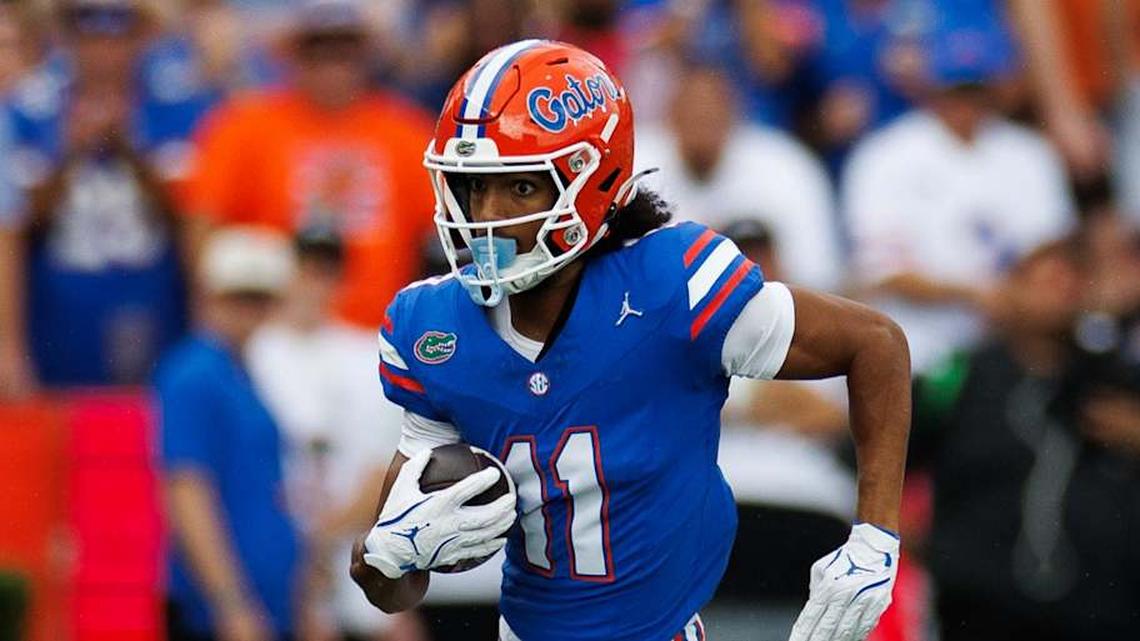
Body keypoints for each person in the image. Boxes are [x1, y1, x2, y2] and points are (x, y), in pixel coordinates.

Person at [349, 40, 911, 641]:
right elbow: (394, 589)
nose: (487, 216)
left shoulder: (674, 284)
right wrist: (384, 554)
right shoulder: (432, 328)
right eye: (473, 187)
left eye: (518, 189)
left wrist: (875, 536)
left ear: (593, 182)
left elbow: (876, 342)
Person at [909, 239, 1140, 641]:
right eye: (1046, 280)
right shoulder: (960, 375)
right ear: (1012, 289)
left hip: (1101, 612)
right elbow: (880, 452)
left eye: (1073, 281)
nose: (1061, 293)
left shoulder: (1117, 381)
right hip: (979, 606)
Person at [0, 0, 215, 394]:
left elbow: (189, 215)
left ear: (141, 37)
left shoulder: (176, 104)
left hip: (151, 291)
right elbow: (17, 223)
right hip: (60, 297)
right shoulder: (30, 107)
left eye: (117, 34)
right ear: (65, 36)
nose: (101, 50)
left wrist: (131, 149)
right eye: (87, 33)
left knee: (148, 420)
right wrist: (70, 154)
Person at [186, 0, 437, 330]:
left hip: (379, 333)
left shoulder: (408, 131)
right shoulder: (243, 127)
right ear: (293, 55)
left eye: (344, 50)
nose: (332, 64)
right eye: (317, 49)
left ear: (365, 54)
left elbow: (441, 238)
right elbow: (203, 225)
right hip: (272, 334)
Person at [843, 24, 1073, 374]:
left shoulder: (1028, 152)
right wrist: (976, 294)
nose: (965, 103)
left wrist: (1011, 298)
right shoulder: (884, 156)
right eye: (955, 89)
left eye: (974, 89)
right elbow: (882, 273)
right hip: (922, 351)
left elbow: (1051, 256)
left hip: (1012, 343)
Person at [245, 227, 419, 641]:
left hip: (355, 538)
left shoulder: (368, 352)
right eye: (304, 269)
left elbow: (385, 464)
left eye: (325, 270)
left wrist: (326, 539)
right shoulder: (253, 352)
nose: (313, 282)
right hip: (276, 538)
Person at [157, 227, 301, 641]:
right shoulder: (193, 374)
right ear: (208, 297)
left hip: (266, 604)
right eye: (237, 298)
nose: (249, 312)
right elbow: (187, 491)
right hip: (223, 614)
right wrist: (229, 603)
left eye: (259, 299)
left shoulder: (243, 371)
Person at [636, 64, 842, 291]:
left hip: (766, 312)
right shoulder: (636, 167)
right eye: (691, 114)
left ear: (734, 114)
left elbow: (819, 277)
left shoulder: (786, 166)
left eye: (710, 116)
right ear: (670, 115)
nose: (701, 126)